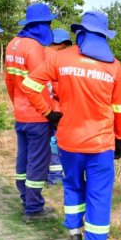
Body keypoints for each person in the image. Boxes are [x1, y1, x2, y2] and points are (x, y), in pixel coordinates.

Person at [23, 11, 121, 240]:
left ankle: (74, 239)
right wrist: (120, 137)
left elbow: (30, 84)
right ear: (103, 36)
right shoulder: (113, 66)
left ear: (80, 33)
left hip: (68, 141)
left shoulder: (60, 58)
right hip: (100, 143)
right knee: (99, 194)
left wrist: (48, 112)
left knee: (72, 186)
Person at [4, 3, 58, 223]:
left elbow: (9, 81)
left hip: (21, 113)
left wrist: (17, 103)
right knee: (38, 161)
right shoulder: (34, 48)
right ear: (41, 25)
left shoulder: (12, 44)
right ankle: (33, 208)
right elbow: (40, 85)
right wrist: (50, 112)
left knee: (23, 159)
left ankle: (26, 199)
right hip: (37, 114)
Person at [46, 28, 73, 186]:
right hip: (54, 108)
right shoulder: (56, 59)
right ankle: (55, 177)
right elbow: (57, 86)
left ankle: (45, 174)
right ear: (62, 44)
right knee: (54, 142)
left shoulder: (41, 52)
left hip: (40, 108)